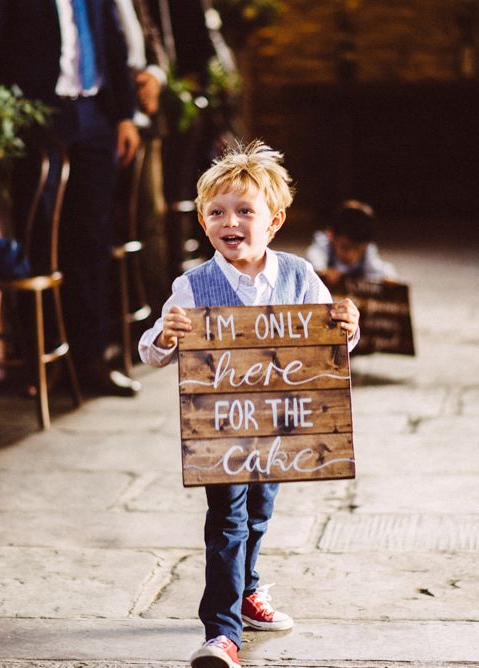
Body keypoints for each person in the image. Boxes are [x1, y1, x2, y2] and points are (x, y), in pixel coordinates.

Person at [138, 140, 360, 668]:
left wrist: (346, 331)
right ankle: (222, 633)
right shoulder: (193, 285)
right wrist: (167, 335)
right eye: (217, 212)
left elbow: (323, 344)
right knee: (228, 520)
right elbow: (150, 353)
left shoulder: (298, 275)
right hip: (221, 429)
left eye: (244, 211)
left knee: (259, 513)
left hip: (281, 424)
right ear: (202, 220)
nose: (229, 222)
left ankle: (248, 592)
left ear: (274, 220)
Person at [0, 0, 142, 397]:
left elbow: (111, 39)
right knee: (39, 239)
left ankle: (91, 360)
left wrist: (125, 115)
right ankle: (43, 362)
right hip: (37, 116)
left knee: (92, 240)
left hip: (95, 114)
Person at [306, 199, 398, 288]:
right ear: (331, 235)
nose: (351, 255)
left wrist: (388, 277)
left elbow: (378, 268)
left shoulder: (367, 250)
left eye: (359, 250)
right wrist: (323, 271)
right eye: (345, 247)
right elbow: (313, 258)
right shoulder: (324, 244)